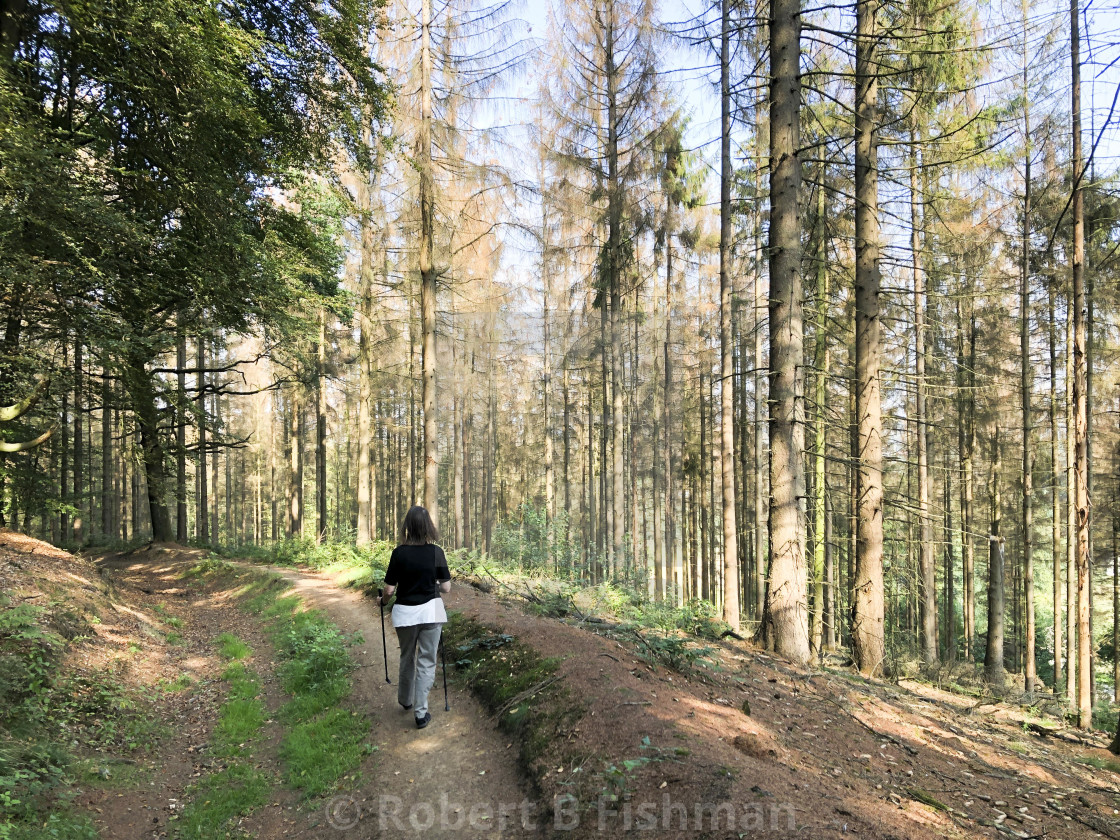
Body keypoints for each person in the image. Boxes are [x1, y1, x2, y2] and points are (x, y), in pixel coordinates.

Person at [379, 505, 450, 729]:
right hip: (432, 612)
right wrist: (434, 582)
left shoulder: (398, 553)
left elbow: (389, 590)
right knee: (427, 661)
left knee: (407, 656)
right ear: (428, 526)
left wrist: (382, 602)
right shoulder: (436, 552)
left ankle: (405, 700)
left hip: (405, 615)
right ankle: (421, 713)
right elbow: (446, 587)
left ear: (407, 526)